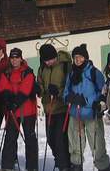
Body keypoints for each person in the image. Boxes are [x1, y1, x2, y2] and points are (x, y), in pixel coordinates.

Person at [63, 44, 110, 171]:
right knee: (75, 147)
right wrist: (68, 98)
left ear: (86, 58)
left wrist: (86, 101)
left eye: (80, 57)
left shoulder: (94, 73)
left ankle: (104, 167)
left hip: (91, 114)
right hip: (75, 115)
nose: (77, 60)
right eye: (75, 57)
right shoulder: (71, 74)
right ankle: (76, 168)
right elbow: (65, 92)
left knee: (97, 146)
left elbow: (103, 93)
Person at [0, 47, 38, 171]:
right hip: (12, 112)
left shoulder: (28, 72)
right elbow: (2, 87)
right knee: (10, 138)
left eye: (17, 58)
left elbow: (25, 89)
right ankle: (7, 166)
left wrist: (14, 103)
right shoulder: (6, 72)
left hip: (27, 110)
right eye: (12, 58)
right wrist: (7, 97)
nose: (14, 60)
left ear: (21, 58)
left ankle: (32, 167)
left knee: (30, 139)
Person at [37, 43, 71, 171]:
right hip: (49, 109)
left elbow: (70, 85)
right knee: (50, 139)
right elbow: (40, 83)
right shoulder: (42, 68)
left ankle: (64, 166)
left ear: (55, 56)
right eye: (46, 60)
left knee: (60, 140)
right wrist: (38, 90)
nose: (49, 62)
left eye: (51, 59)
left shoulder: (65, 66)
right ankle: (60, 161)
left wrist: (58, 92)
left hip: (63, 109)